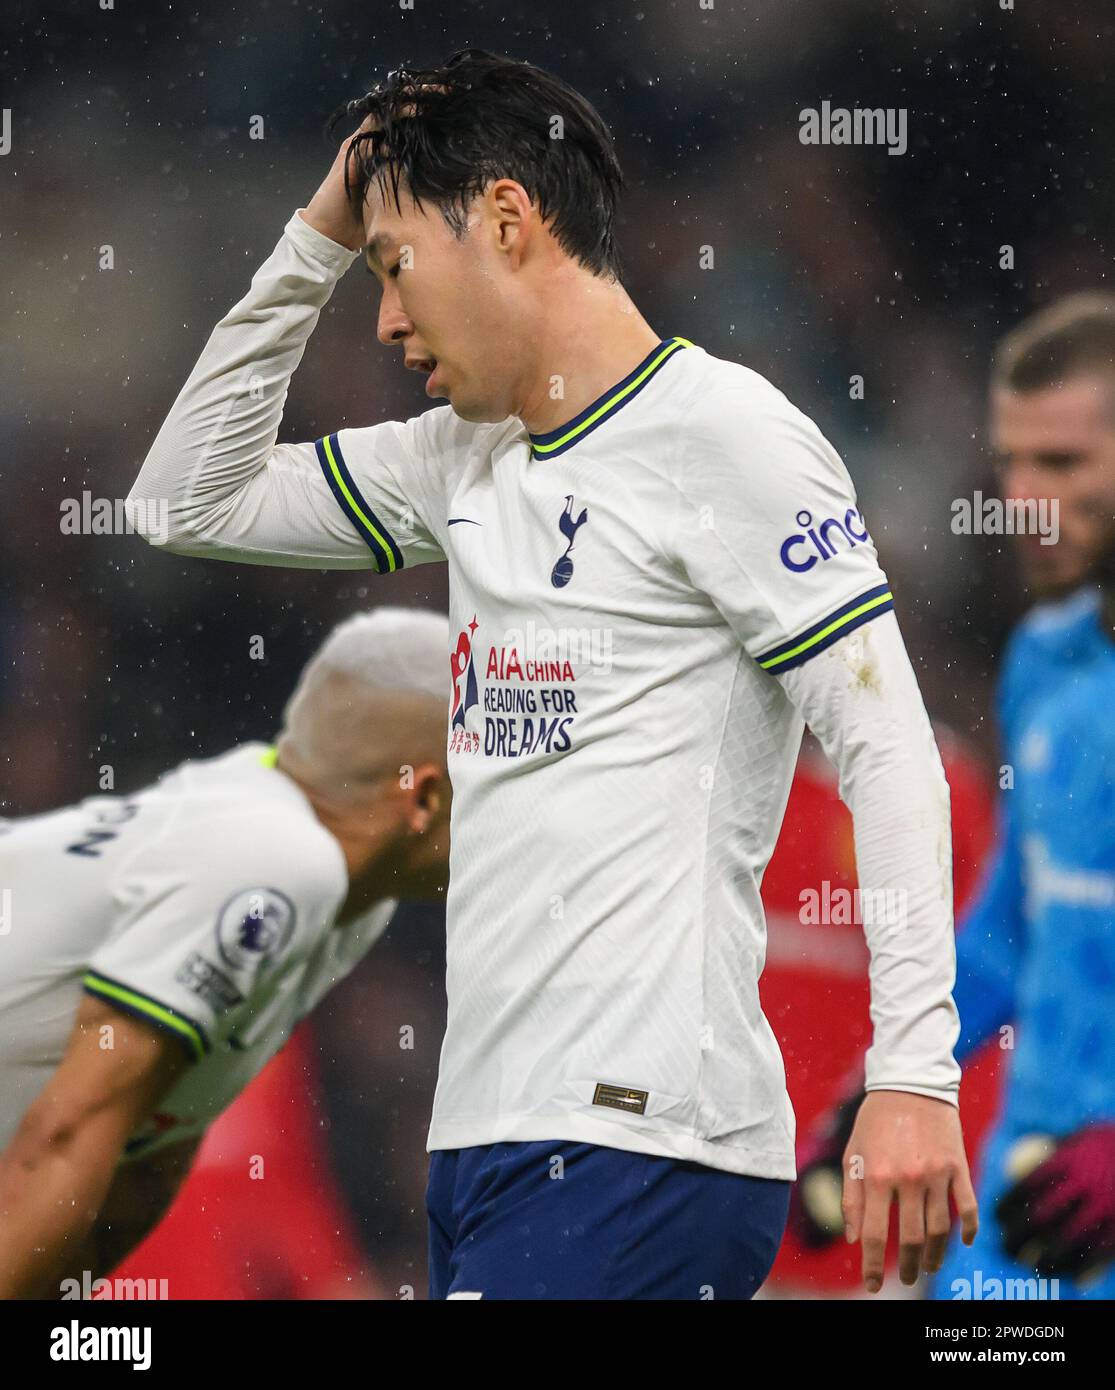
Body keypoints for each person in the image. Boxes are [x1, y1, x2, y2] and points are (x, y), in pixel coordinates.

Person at [128, 48, 977, 1299]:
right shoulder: (459, 460)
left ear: (510, 223)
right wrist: (318, 229)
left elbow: (887, 745)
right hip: (485, 1141)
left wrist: (912, 1073)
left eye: (393, 265)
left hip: (641, 1140)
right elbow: (177, 499)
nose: (382, 319)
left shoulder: (723, 436)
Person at [793, 294, 1115, 1300]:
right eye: (1010, 462)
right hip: (1030, 1207)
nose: (1020, 497)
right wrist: (888, 1088)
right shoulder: (1042, 669)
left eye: (1059, 466)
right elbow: (1007, 932)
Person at [0, 606, 449, 1299]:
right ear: (420, 795)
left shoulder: (338, 897)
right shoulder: (284, 861)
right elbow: (61, 1138)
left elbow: (144, 1166)